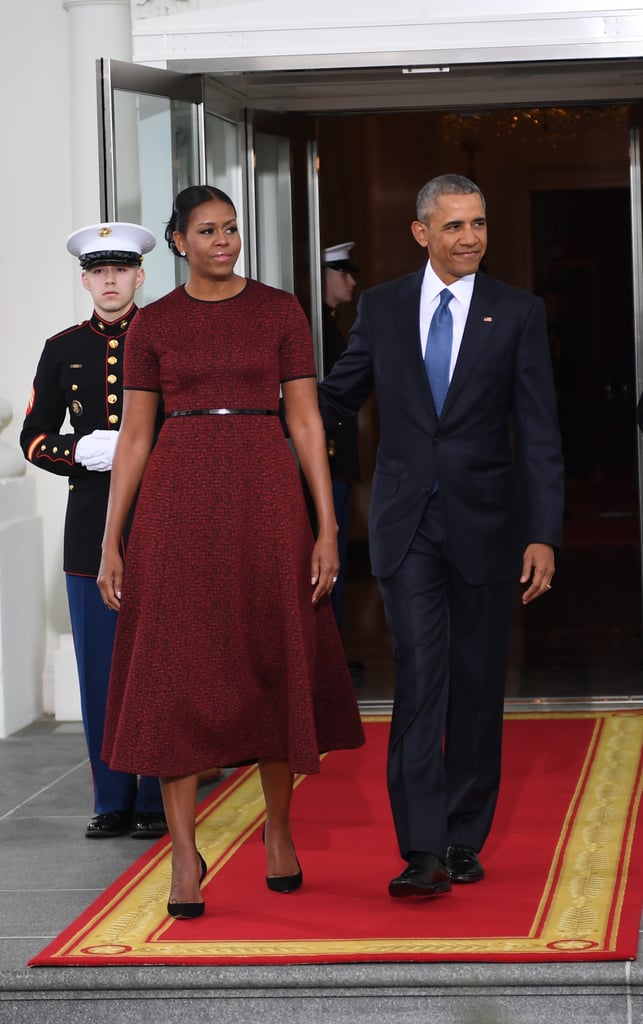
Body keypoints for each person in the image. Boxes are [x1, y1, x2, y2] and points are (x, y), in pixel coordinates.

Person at [97, 185, 365, 919]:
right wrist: (112, 538)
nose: (224, 240)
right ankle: (185, 854)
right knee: (177, 675)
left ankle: (278, 830)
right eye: (208, 231)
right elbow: (135, 437)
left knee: (272, 662)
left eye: (232, 228)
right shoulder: (152, 324)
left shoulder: (280, 309)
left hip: (266, 500)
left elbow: (307, 422)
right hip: (177, 509)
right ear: (178, 242)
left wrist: (326, 524)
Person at [318, 173, 565, 899]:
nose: (470, 238)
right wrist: (251, 417)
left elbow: (540, 433)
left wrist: (542, 533)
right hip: (405, 523)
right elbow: (338, 396)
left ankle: (464, 836)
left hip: (488, 524)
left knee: (477, 683)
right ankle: (420, 848)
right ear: (421, 231)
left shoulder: (516, 313)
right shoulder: (383, 306)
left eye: (479, 224)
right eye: (454, 225)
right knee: (421, 675)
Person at [20, 221, 167, 839]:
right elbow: (32, 437)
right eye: (98, 272)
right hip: (91, 529)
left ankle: (160, 797)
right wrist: (82, 450)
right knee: (101, 670)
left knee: (159, 665)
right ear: (85, 280)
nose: (110, 281)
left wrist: (141, 447)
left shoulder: (166, 338)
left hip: (161, 521)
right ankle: (112, 798)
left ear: (140, 275)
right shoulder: (62, 347)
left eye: (121, 270)